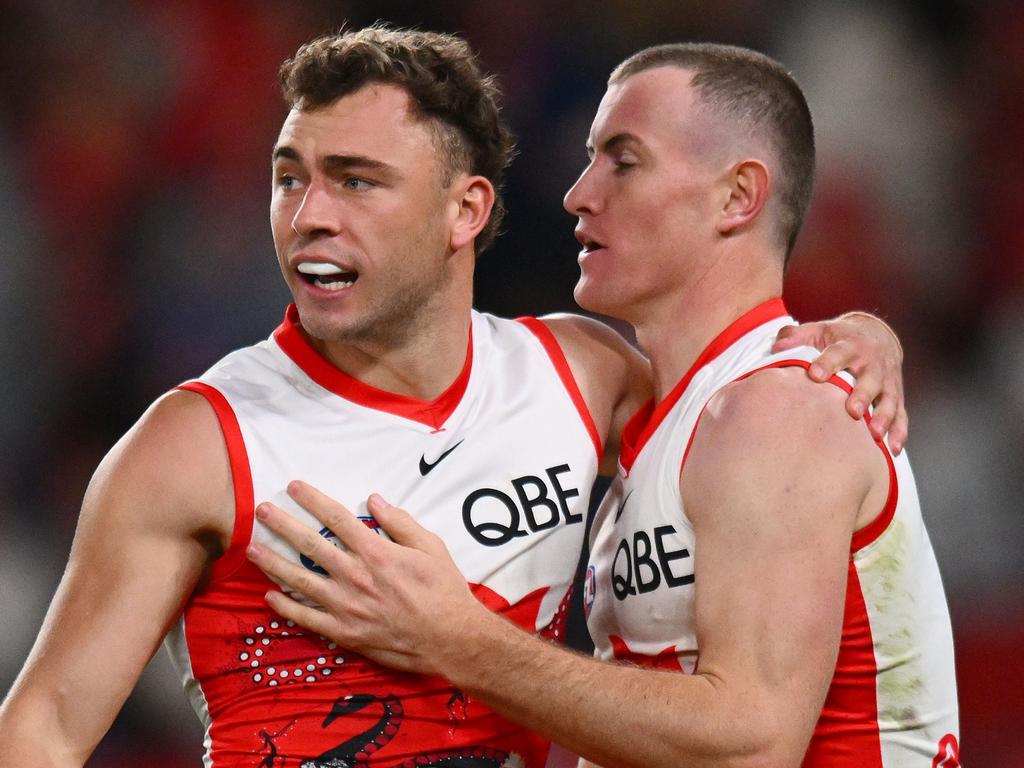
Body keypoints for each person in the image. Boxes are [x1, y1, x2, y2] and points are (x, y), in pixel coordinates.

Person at [0, 28, 907, 768]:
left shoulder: (581, 374)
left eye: (356, 180)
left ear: (464, 212)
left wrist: (862, 333)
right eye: (289, 177)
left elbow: (742, 392)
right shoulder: (198, 442)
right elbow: (40, 730)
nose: (309, 213)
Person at [244, 42, 960, 768]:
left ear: (738, 196)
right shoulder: (666, 411)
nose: (578, 193)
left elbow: (750, 744)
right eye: (591, 157)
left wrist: (458, 639)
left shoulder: (779, 410)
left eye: (624, 160)